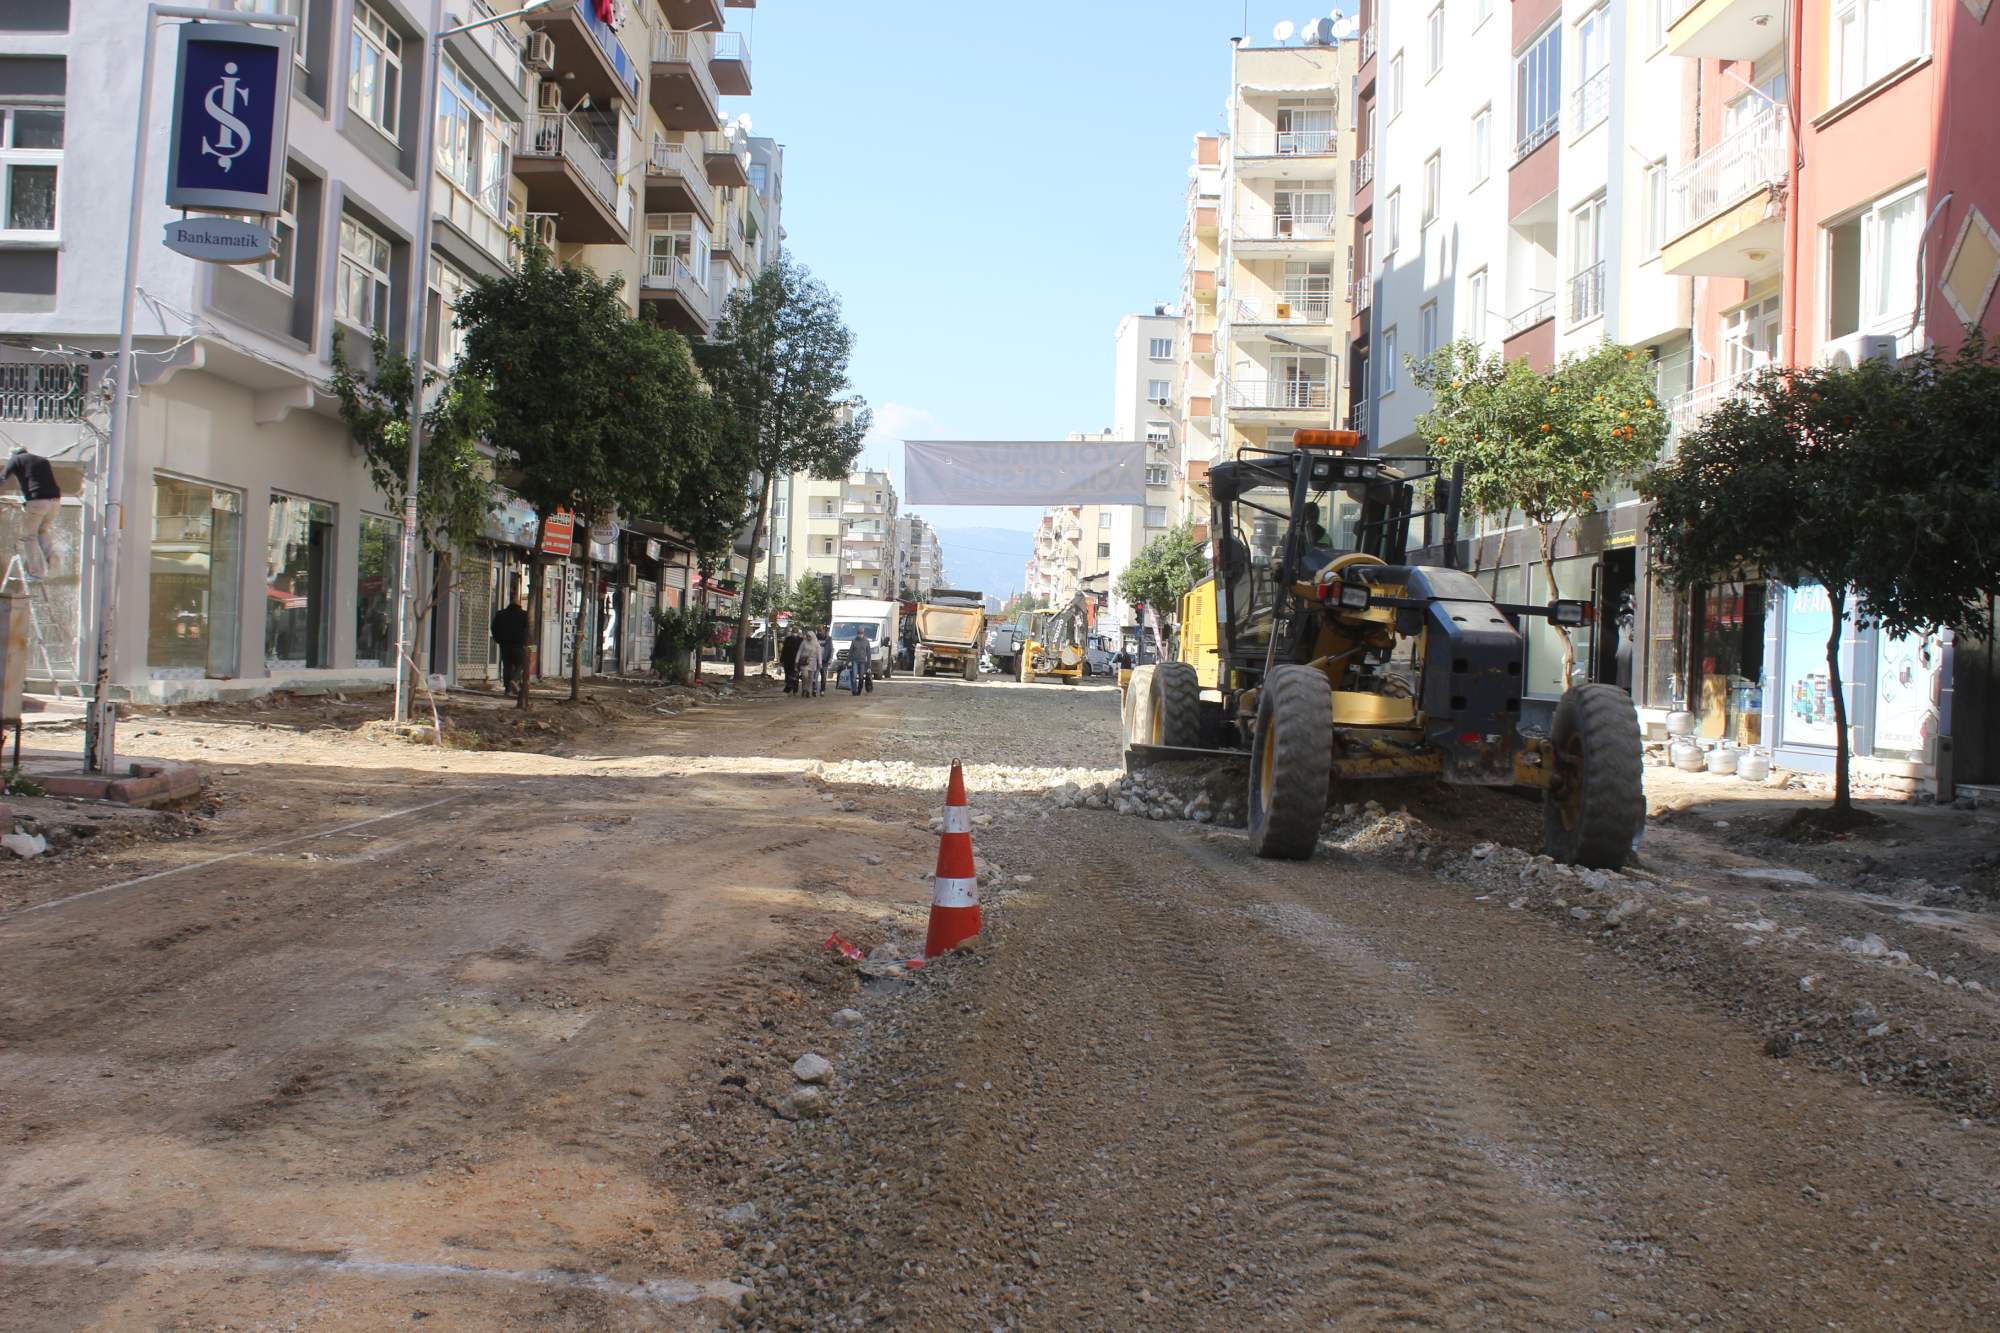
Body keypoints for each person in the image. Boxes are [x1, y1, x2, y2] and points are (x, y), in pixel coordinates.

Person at [5, 446, 61, 579]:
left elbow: (2, 477)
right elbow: (40, 482)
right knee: (42, 531)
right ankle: (53, 561)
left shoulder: (16, 459)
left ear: (13, 454)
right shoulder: (42, 460)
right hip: (55, 502)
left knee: (29, 536)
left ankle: (36, 572)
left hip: (38, 501)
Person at [491, 594, 530, 698]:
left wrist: (498, 639)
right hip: (518, 645)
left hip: (505, 645)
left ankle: (507, 690)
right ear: (518, 603)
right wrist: (526, 642)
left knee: (507, 666)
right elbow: (528, 630)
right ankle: (515, 680)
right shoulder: (524, 615)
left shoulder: (500, 614)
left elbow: (493, 628)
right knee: (521, 664)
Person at [796, 627, 820, 698]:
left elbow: (819, 653)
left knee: (810, 678)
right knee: (805, 676)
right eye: (807, 636)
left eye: (809, 636)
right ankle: (804, 688)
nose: (808, 637)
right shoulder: (804, 642)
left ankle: (808, 691)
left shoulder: (816, 643)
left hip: (813, 662)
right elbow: (799, 651)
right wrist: (796, 661)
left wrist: (820, 662)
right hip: (804, 662)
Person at [849, 626, 873, 695]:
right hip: (855, 661)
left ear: (863, 633)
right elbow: (850, 652)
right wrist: (848, 662)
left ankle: (859, 690)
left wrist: (869, 666)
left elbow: (869, 654)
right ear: (857, 633)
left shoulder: (866, 641)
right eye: (859, 633)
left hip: (862, 662)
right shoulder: (854, 641)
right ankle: (854, 690)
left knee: (861, 677)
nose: (860, 634)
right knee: (853, 677)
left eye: (861, 633)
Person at [780, 625, 803, 695]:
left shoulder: (801, 640)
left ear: (798, 632)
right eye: (793, 631)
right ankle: (788, 688)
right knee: (788, 675)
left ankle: (795, 690)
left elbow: (802, 651)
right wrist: (781, 660)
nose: (794, 633)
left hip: (796, 661)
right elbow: (784, 650)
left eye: (796, 632)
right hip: (788, 660)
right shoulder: (788, 639)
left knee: (795, 676)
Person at [818, 629, 835, 698]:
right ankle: (814, 689)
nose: (820, 633)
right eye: (818, 631)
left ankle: (822, 690)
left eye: (821, 631)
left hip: (825, 660)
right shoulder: (816, 638)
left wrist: (830, 658)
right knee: (814, 676)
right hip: (816, 659)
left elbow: (831, 649)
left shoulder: (829, 639)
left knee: (824, 676)